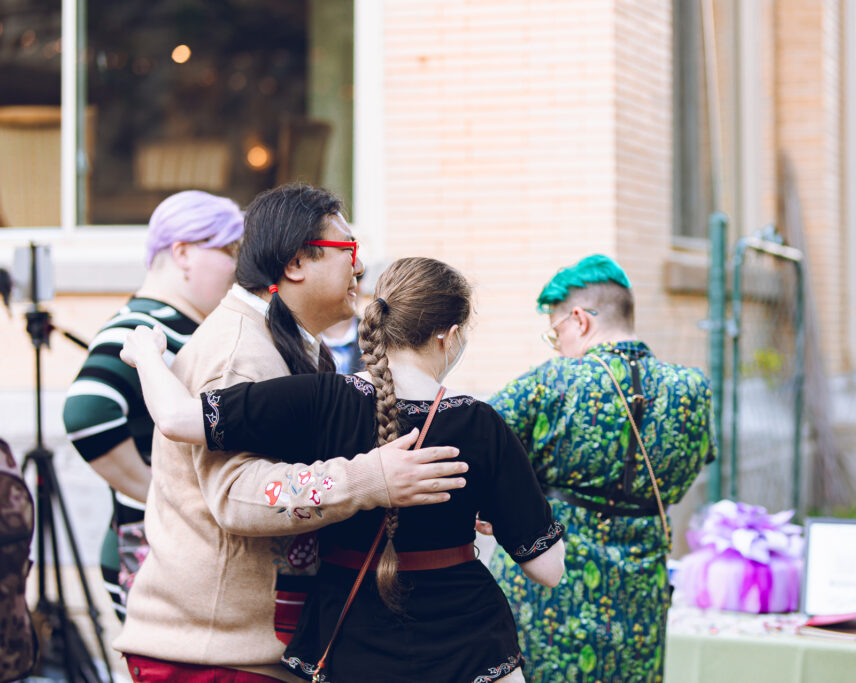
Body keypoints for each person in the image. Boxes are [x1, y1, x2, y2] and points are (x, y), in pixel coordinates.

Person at [120, 256, 566, 683]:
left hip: (349, 643)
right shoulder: (480, 423)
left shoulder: (320, 398)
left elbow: (176, 418)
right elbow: (548, 569)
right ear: (448, 336)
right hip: (470, 646)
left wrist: (147, 356)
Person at [112, 186, 469, 682]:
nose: (360, 267)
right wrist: (372, 479)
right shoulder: (240, 354)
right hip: (212, 659)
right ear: (297, 262)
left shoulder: (281, 342)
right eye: (348, 248)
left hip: (242, 653)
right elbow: (238, 495)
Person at [485, 254, 717, 682]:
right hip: (639, 595)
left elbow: (477, 439)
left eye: (555, 333)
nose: (558, 346)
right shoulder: (692, 389)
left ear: (579, 320)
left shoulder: (553, 380)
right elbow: (694, 464)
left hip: (548, 595)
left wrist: (495, 505)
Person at [62, 190, 244, 620]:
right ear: (183, 253)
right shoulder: (144, 325)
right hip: (154, 551)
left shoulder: (173, 324)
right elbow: (86, 411)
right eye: (229, 251)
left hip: (163, 548)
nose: (239, 267)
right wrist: (162, 494)